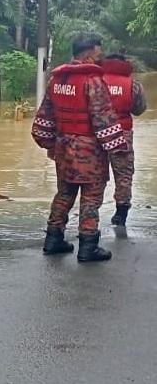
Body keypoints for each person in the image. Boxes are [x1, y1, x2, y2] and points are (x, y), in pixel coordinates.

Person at [31, 33, 129, 262]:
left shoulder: (57, 80)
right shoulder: (92, 80)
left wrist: (50, 144)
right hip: (89, 151)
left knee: (64, 193)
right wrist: (118, 147)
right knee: (91, 197)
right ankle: (88, 247)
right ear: (88, 53)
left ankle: (53, 239)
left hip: (63, 149)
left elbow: (44, 119)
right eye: (98, 51)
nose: (100, 56)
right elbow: (103, 119)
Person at [101, 54, 147, 226]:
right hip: (122, 134)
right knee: (124, 175)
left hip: (98, 134)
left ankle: (90, 213)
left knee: (96, 174)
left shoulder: (95, 80)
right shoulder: (132, 84)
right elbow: (139, 109)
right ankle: (121, 213)